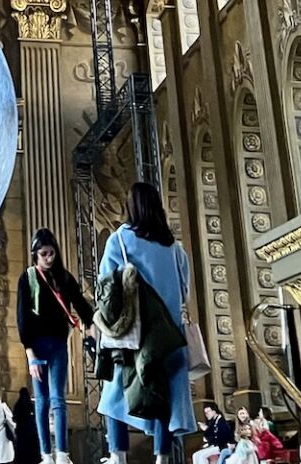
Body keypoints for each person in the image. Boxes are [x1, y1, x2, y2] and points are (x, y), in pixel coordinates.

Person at [95, 183, 195, 464]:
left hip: (134, 333)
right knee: (164, 396)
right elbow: (185, 290)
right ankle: (162, 457)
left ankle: (118, 455)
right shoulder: (175, 249)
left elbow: (106, 287)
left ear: (131, 207)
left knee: (115, 394)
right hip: (170, 336)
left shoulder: (120, 240)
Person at [16, 226, 92, 464]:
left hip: (59, 343)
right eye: (43, 254)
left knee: (58, 398)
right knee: (42, 399)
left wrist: (91, 324)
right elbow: (22, 317)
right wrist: (29, 353)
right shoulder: (27, 278)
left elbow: (80, 304)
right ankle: (45, 454)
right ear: (35, 255)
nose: (49, 258)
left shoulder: (64, 277)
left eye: (51, 253)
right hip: (37, 346)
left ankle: (62, 453)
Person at [11, 388, 39, 464]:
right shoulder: (31, 405)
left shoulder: (18, 405)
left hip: (21, 434)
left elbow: (15, 417)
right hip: (31, 432)